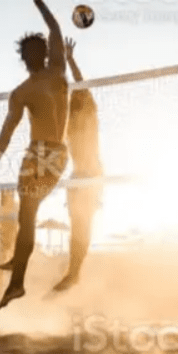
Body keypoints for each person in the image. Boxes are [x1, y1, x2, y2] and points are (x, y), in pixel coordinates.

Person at [0, 0, 69, 310]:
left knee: (28, 212)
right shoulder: (51, 75)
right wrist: (40, 4)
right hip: (51, 154)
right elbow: (5, 135)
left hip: (41, 153)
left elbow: (5, 136)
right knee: (28, 212)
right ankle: (17, 275)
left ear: (25, 59)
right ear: (36, 56)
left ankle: (18, 275)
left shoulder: (34, 83)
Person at [52, 37, 103, 292]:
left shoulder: (88, 112)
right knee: (77, 226)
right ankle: (73, 273)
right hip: (77, 177)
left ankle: (75, 272)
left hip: (91, 175)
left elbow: (80, 85)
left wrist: (70, 59)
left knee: (83, 224)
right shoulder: (68, 121)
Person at [0, 190, 19, 293]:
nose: (8, 193)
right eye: (6, 191)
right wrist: (1, 232)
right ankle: (0, 293)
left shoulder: (16, 206)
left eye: (10, 190)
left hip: (14, 241)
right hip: (2, 241)